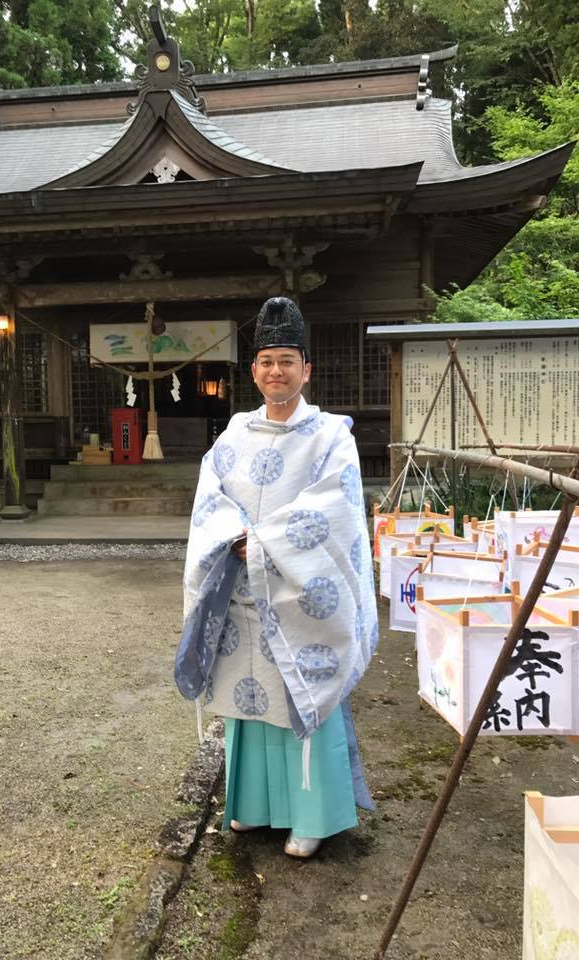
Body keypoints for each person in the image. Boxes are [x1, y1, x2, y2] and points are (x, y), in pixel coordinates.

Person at [175, 296, 378, 859]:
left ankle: (314, 816)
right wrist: (231, 538)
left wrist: (262, 541)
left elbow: (333, 510)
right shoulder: (234, 434)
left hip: (301, 596)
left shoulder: (332, 436)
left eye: (287, 360)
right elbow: (208, 499)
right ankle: (254, 806)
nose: (275, 371)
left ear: (306, 369)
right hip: (243, 590)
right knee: (249, 698)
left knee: (302, 695)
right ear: (254, 370)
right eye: (265, 361)